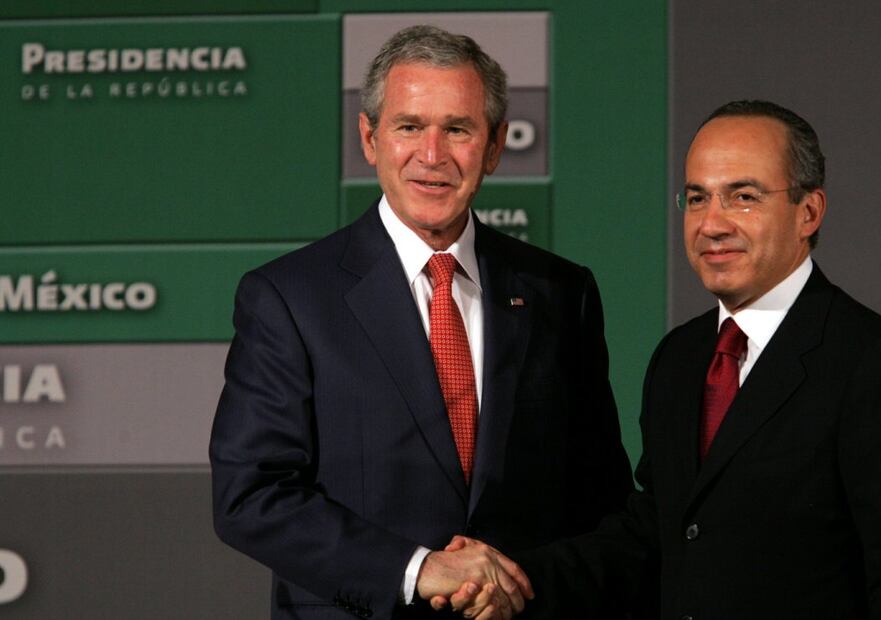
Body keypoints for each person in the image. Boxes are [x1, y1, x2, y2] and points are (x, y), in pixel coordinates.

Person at [439, 100, 881, 618]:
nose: (712, 224)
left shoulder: (879, 367)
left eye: (742, 197)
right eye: (697, 199)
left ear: (808, 212)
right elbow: (653, 535)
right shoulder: (681, 358)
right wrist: (515, 581)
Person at [208, 25, 633, 620]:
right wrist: (418, 570)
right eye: (409, 127)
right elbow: (251, 496)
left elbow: (602, 504)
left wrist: (520, 582)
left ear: (493, 146)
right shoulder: (289, 297)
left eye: (457, 129)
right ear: (370, 138)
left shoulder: (561, 293)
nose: (431, 155)